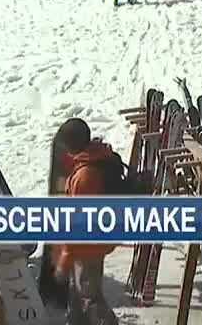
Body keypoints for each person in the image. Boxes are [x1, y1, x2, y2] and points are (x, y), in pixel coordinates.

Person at [51, 118, 120, 324]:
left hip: (87, 247)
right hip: (95, 242)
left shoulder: (85, 176)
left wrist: (65, 257)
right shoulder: (94, 159)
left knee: (90, 296)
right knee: (82, 291)